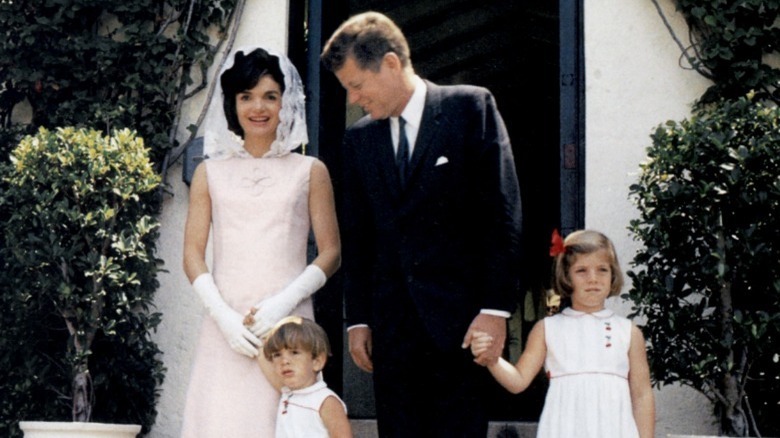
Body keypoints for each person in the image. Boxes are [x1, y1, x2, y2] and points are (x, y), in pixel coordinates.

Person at [320, 11, 522, 437]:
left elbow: (502, 214)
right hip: (392, 333)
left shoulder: (470, 108)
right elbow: (359, 236)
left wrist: (494, 310)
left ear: (391, 64)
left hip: (463, 325)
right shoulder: (359, 140)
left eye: (357, 85)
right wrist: (357, 319)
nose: (354, 98)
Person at [181, 46, 341, 438]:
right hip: (227, 327)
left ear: (285, 103)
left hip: (288, 327)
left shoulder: (310, 171)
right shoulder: (210, 173)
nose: (259, 107)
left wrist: (282, 306)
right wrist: (224, 318)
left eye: (270, 96)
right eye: (247, 96)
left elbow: (332, 251)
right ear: (232, 104)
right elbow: (192, 254)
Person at [469, 229, 656, 438]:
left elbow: (641, 395)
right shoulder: (548, 329)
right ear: (566, 276)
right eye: (582, 270)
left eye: (602, 269)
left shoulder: (628, 332)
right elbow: (518, 381)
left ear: (613, 275)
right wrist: (492, 359)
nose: (593, 278)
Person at [256, 316, 352, 438]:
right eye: (277, 355)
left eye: (294, 353)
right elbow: (263, 359)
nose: (284, 361)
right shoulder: (288, 393)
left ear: (317, 361)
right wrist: (254, 325)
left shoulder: (326, 401)